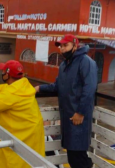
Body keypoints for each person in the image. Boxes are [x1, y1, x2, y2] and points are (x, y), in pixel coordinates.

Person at [35, 34, 98, 168]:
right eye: (61, 46)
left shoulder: (85, 62)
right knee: (73, 156)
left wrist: (80, 112)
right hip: (67, 117)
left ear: (75, 46)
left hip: (78, 117)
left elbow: (90, 89)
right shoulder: (64, 65)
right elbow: (57, 86)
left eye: (65, 45)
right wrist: (39, 88)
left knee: (78, 156)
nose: (62, 49)